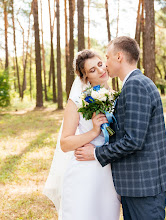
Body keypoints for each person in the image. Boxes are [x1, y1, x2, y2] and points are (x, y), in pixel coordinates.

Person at [75, 36, 166, 220]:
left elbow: (133, 141)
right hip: (137, 184)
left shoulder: (135, 85)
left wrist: (96, 153)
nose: (105, 64)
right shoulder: (133, 84)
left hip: (145, 185)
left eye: (107, 57)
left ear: (119, 57)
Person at [43, 49, 120, 220]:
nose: (100, 70)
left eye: (100, 64)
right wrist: (94, 131)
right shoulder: (77, 101)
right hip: (84, 171)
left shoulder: (116, 97)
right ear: (86, 78)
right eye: (92, 70)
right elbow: (65, 143)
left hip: (109, 172)